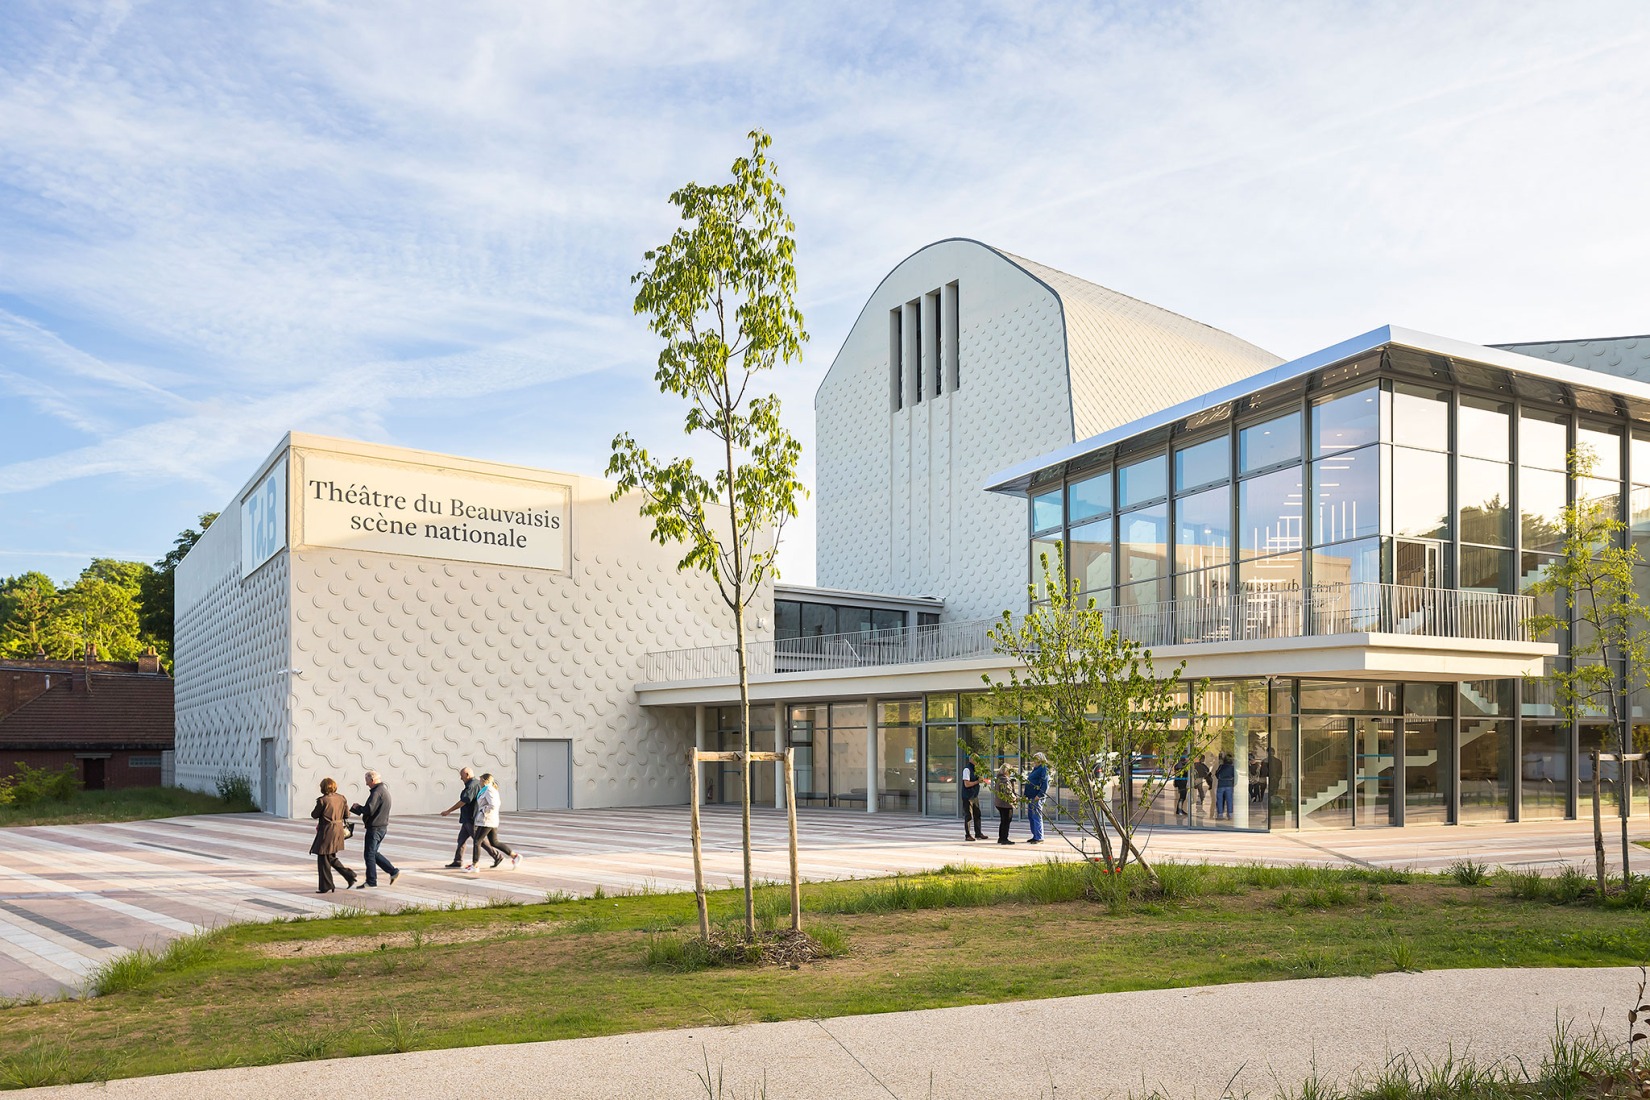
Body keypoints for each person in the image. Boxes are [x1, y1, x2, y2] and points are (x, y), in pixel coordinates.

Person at [350, 771, 400, 887]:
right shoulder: (383, 791)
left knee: (369, 855)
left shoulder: (377, 792)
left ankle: (371, 881)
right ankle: (393, 871)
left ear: (372, 780)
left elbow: (369, 810)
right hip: (381, 827)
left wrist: (358, 808)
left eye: (367, 780)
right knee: (373, 853)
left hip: (375, 828)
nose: (366, 783)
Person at [466, 772, 520, 872]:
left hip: (487, 820)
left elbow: (494, 805)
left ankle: (475, 865)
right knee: (494, 842)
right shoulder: (486, 790)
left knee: (477, 841)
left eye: (481, 780)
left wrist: (483, 811)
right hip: (489, 820)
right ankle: (514, 856)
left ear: (485, 781)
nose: (479, 782)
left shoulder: (489, 790)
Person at [309, 777, 356, 893]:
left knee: (323, 857)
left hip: (327, 830)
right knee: (329, 856)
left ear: (323, 788)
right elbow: (347, 815)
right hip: (338, 830)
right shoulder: (342, 798)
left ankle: (327, 885)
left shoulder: (322, 800)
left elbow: (314, 815)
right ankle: (348, 875)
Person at [439, 766, 480, 868]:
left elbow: (464, 801)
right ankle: (458, 861)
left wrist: (449, 811)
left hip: (471, 818)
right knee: (461, 840)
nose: (461, 778)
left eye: (462, 776)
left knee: (479, 840)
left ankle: (497, 856)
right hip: (467, 818)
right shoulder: (476, 784)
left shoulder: (471, 786)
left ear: (467, 775)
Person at [1024, 752, 1049, 844]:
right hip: (1031, 796)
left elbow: (1045, 783)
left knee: (1036, 816)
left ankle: (1039, 837)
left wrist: (1040, 795)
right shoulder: (1036, 769)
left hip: (1036, 797)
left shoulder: (1043, 768)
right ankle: (1035, 836)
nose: (1034, 761)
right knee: (1031, 816)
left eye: (1035, 759)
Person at [959, 753, 985, 841]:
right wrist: (977, 781)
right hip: (967, 796)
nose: (977, 762)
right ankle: (968, 835)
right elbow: (966, 784)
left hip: (974, 795)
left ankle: (978, 833)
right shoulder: (967, 769)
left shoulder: (976, 769)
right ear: (971, 760)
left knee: (977, 814)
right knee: (968, 815)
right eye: (976, 760)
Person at [992, 763, 1017, 845]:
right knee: (1006, 821)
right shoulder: (1005, 780)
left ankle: (1001, 838)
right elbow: (1008, 792)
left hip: (999, 803)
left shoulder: (998, 779)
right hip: (1006, 804)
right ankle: (1004, 838)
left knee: (1003, 821)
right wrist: (1015, 798)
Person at [1214, 754, 1236, 820]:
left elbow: (1217, 774)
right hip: (1229, 785)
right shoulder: (1232, 767)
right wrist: (1233, 783)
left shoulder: (1221, 766)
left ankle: (1220, 814)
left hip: (1221, 785)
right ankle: (1230, 814)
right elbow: (1235, 776)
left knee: (1220, 800)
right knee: (1229, 800)